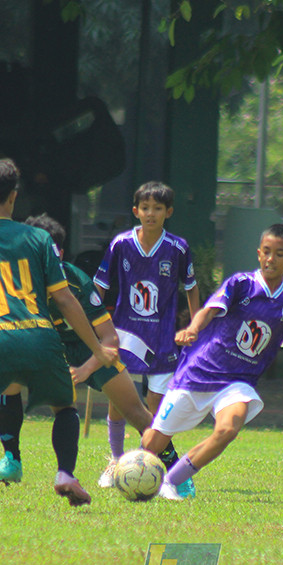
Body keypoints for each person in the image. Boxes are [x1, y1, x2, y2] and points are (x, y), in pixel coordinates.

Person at [0, 158, 117, 510]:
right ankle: (64, 473)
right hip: (41, 339)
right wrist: (96, 347)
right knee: (64, 407)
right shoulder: (38, 238)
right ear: (14, 197)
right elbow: (64, 298)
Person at [140, 223, 283, 500]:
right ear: (258, 254)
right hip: (197, 373)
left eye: (280, 253)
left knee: (227, 429)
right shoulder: (241, 284)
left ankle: (173, 480)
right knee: (152, 443)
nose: (271, 259)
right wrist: (193, 329)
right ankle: (128, 471)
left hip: (238, 383)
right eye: (266, 252)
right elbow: (209, 311)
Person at [0, 213, 180, 485]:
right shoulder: (15, 285)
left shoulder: (77, 283)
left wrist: (85, 369)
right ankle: (11, 460)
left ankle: (179, 474)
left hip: (91, 350)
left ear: (60, 254)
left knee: (135, 411)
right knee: (9, 376)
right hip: (48, 349)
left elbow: (109, 339)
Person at [91, 181, 200, 490]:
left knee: (156, 408)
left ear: (169, 213)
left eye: (158, 209)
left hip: (163, 338)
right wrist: (91, 321)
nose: (151, 214)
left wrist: (195, 327)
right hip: (125, 336)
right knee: (120, 401)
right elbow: (98, 287)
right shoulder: (120, 244)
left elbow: (191, 289)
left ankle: (153, 466)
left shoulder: (177, 248)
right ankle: (115, 460)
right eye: (146, 208)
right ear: (136, 211)